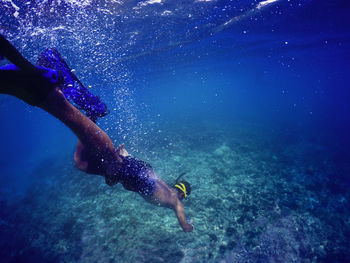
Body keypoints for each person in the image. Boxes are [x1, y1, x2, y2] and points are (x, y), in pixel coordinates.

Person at [0, 34, 194, 232]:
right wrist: (188, 226)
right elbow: (183, 222)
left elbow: (148, 173)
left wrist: (127, 160)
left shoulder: (169, 189)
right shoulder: (177, 203)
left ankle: (78, 109)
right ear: (183, 195)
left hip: (138, 176)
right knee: (109, 161)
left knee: (81, 162)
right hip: (137, 178)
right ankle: (84, 109)